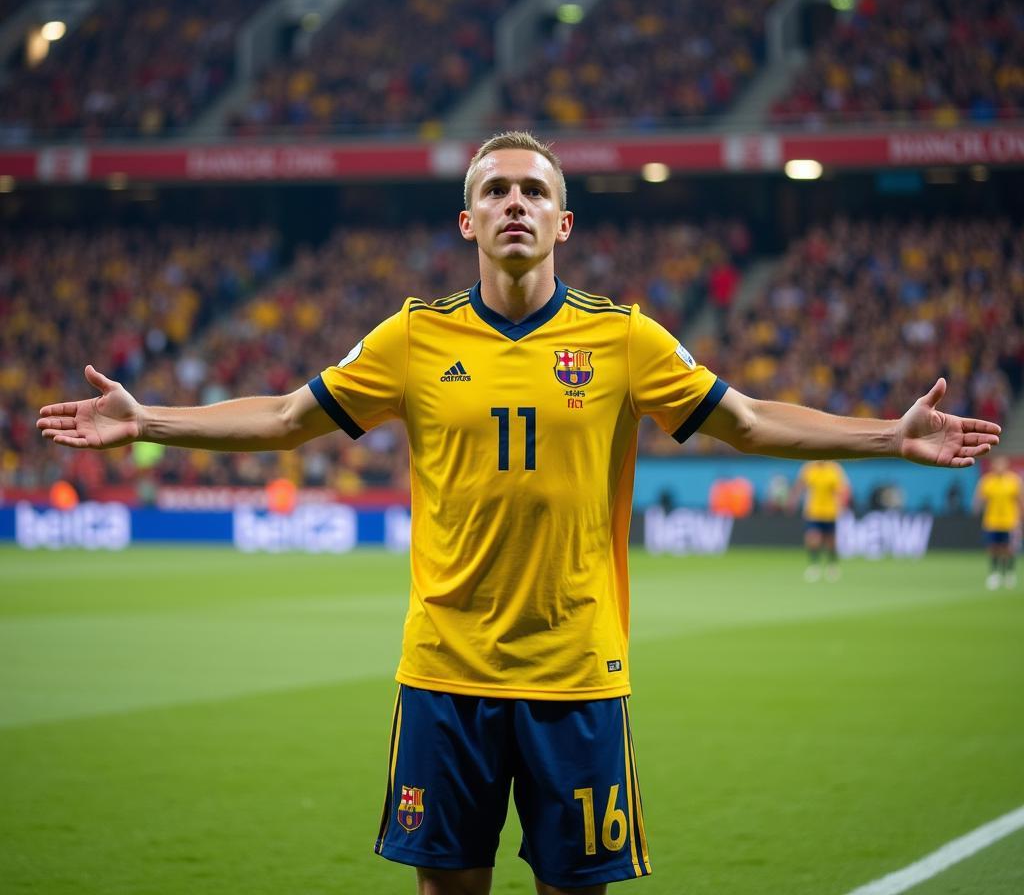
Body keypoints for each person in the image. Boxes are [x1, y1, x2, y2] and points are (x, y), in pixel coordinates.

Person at [37, 131, 1001, 895]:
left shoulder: (624, 338)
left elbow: (745, 421)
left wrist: (889, 437)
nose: (514, 204)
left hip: (576, 674)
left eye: (533, 191)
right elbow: (290, 417)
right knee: (447, 888)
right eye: (495, 191)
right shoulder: (413, 337)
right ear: (467, 223)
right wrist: (149, 419)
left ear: (564, 223)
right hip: (444, 674)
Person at [789, 460, 851, 582]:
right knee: (813, 538)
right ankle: (814, 565)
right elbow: (800, 485)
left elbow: (842, 489)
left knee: (830, 541)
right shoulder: (809, 468)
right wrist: (793, 500)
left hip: (830, 512)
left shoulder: (834, 468)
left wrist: (842, 504)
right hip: (813, 512)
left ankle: (832, 564)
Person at [972, 455, 1022, 590]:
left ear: (1006, 466)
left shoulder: (1013, 481)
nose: (999, 467)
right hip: (992, 521)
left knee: (1009, 549)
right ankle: (994, 574)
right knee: (993, 548)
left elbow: (1019, 500)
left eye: (1002, 464)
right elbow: (979, 499)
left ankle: (1009, 574)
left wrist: (1020, 520)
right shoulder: (987, 481)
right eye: (997, 464)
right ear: (993, 466)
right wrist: (976, 507)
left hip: (1010, 521)